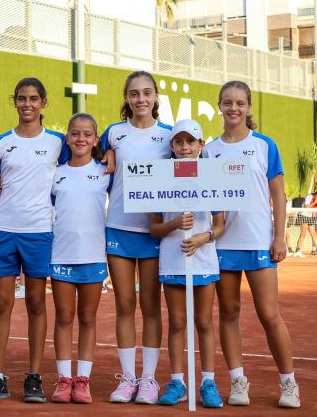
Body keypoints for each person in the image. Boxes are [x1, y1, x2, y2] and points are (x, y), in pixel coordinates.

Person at [0, 77, 69, 402]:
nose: (27, 104)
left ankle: (34, 377)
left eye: (33, 99)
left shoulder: (59, 142)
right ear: (15, 101)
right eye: (22, 98)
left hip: (40, 233)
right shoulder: (1, 142)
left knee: (37, 304)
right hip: (4, 234)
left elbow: (82, 165)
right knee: (2, 305)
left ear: (44, 102)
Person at [202, 80, 300, 408]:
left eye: (240, 103)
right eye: (227, 102)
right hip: (223, 245)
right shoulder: (210, 150)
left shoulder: (264, 146)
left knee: (269, 314)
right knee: (228, 312)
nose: (233, 108)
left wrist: (278, 236)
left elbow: (279, 195)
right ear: (219, 106)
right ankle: (237, 381)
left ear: (248, 107)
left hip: (259, 240)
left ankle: (289, 383)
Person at [100, 71, 172, 404]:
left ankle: (149, 379)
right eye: (133, 93)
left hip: (155, 233)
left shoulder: (170, 137)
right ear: (126, 98)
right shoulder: (113, 134)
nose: (140, 99)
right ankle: (128, 378)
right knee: (125, 304)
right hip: (119, 229)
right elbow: (89, 160)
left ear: (156, 97)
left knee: (151, 306)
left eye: (146, 93)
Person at [148, 119, 224, 408]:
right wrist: (175, 224)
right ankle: (178, 381)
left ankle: (207, 382)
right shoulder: (159, 178)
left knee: (204, 322)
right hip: (172, 259)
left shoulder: (212, 177)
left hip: (203, 259)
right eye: (179, 142)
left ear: (201, 145)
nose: (184, 147)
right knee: (177, 322)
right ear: (172, 146)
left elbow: (220, 225)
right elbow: (154, 228)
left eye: (190, 141)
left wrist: (204, 237)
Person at [48, 113, 110, 404]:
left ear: (96, 140)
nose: (80, 139)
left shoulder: (105, 172)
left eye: (87, 134)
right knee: (63, 317)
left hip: (93, 255)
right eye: (75, 133)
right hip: (61, 254)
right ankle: (63, 379)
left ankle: (83, 380)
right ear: (67, 138)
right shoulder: (56, 173)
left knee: (87, 317)